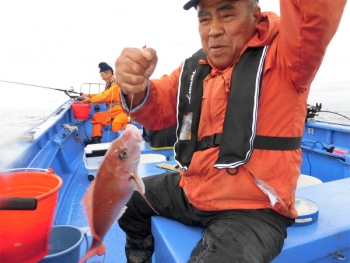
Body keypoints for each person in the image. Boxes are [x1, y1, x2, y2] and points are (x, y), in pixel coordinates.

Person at [115, 0, 347, 262]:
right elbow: (155, 109)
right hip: (191, 190)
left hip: (254, 209)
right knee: (126, 197)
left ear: (255, 15)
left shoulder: (290, 54)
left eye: (227, 15)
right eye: (204, 19)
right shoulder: (192, 69)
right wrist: (135, 86)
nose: (213, 29)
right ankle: (138, 254)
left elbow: (315, 12)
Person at [82, 62, 128, 145]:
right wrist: (88, 95)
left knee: (116, 124)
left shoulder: (117, 83)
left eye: (102, 75)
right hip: (113, 112)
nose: (102, 78)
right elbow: (102, 94)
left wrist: (90, 100)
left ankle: (124, 144)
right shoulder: (110, 85)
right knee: (97, 117)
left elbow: (105, 96)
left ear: (109, 72)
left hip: (123, 111)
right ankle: (96, 141)